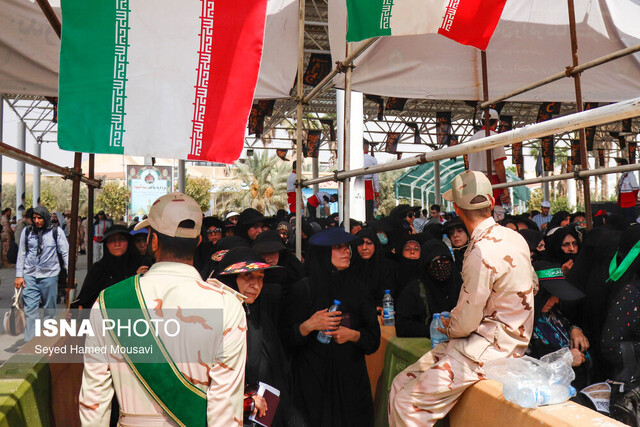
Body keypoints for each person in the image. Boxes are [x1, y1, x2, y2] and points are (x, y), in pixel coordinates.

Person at [79, 192, 247, 426]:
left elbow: (93, 399)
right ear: (199, 241)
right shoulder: (227, 305)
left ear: (153, 241)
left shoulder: (110, 301)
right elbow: (226, 408)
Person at [389, 170, 536, 426]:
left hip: (488, 351)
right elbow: (533, 285)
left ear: (456, 208)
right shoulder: (515, 238)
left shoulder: (480, 251)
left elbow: (466, 322)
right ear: (491, 202)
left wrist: (449, 324)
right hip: (497, 342)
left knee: (405, 403)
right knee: (400, 382)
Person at [285, 227, 380, 426]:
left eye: (347, 247)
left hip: (350, 383)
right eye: (339, 247)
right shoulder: (302, 290)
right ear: (322, 253)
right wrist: (308, 326)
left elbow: (373, 339)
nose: (347, 251)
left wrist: (353, 335)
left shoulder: (358, 289)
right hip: (312, 384)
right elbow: (285, 339)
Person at [216, 247, 307, 426]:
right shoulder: (213, 317)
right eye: (248, 276)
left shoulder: (259, 316)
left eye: (260, 278)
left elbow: (278, 373)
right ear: (229, 279)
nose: (256, 285)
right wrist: (243, 397)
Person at [528, 260, 591, 390]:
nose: (556, 300)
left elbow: (566, 322)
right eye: (550, 295)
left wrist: (574, 329)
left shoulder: (551, 312)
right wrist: (565, 361)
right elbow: (528, 367)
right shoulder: (522, 326)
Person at [14, 206, 69, 342]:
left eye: (40, 218)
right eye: (34, 218)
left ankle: (46, 341)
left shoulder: (56, 232)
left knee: (49, 310)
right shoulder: (27, 232)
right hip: (30, 275)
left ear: (45, 218)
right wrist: (19, 275)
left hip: (50, 275)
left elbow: (65, 253)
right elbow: (21, 253)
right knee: (30, 310)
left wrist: (70, 273)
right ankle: (30, 343)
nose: (37, 221)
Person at [396, 240, 462, 338]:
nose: (440, 265)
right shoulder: (414, 290)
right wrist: (436, 329)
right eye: (435, 262)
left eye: (444, 260)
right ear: (426, 265)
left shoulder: (461, 286)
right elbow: (402, 327)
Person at [74, 225, 145, 309]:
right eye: (112, 240)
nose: (117, 244)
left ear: (128, 242)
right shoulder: (98, 269)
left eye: (121, 239)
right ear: (107, 245)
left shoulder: (140, 266)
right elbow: (84, 301)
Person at [465, 109, 510, 207]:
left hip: (474, 180)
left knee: (477, 209)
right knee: (493, 209)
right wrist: (505, 188)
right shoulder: (496, 137)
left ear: (482, 121)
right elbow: (498, 164)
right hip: (491, 179)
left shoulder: (472, 139)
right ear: (497, 122)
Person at [351, 227, 397, 309]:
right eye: (360, 244)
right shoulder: (351, 268)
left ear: (375, 244)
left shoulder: (388, 268)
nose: (364, 247)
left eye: (369, 243)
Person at [363, 140, 380, 221]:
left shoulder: (352, 158)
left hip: (354, 184)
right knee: (368, 212)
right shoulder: (372, 159)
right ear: (366, 147)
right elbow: (376, 178)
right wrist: (377, 194)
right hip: (368, 185)